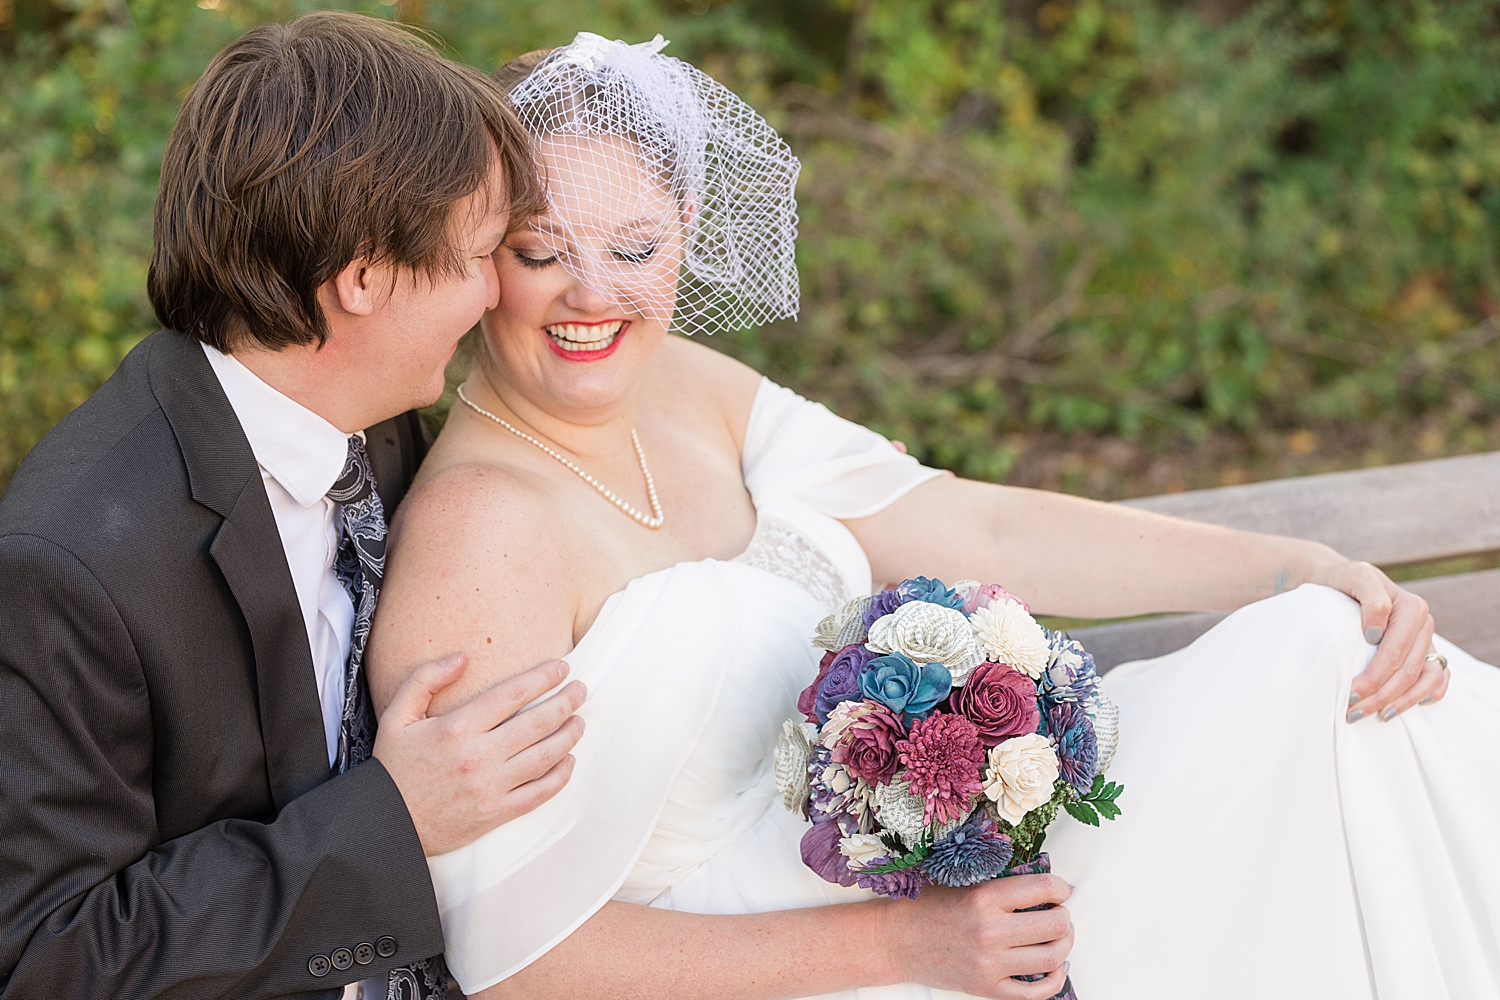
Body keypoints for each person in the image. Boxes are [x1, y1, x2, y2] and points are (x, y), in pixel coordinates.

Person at [366, 33, 1500, 1000]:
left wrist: (1289, 565)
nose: (594, 295)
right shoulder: (482, 528)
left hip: (946, 893)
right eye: (540, 252)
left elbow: (980, 532)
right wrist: (910, 942)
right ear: (479, 255)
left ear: (690, 227)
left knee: (1318, 652)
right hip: (818, 963)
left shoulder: (688, 388)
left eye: (636, 248)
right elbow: (511, 959)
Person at [0, 13, 588, 1000]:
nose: (498, 294)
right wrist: (392, 820)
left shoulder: (386, 425)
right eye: (482, 253)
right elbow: (48, 957)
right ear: (362, 278)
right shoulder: (70, 564)